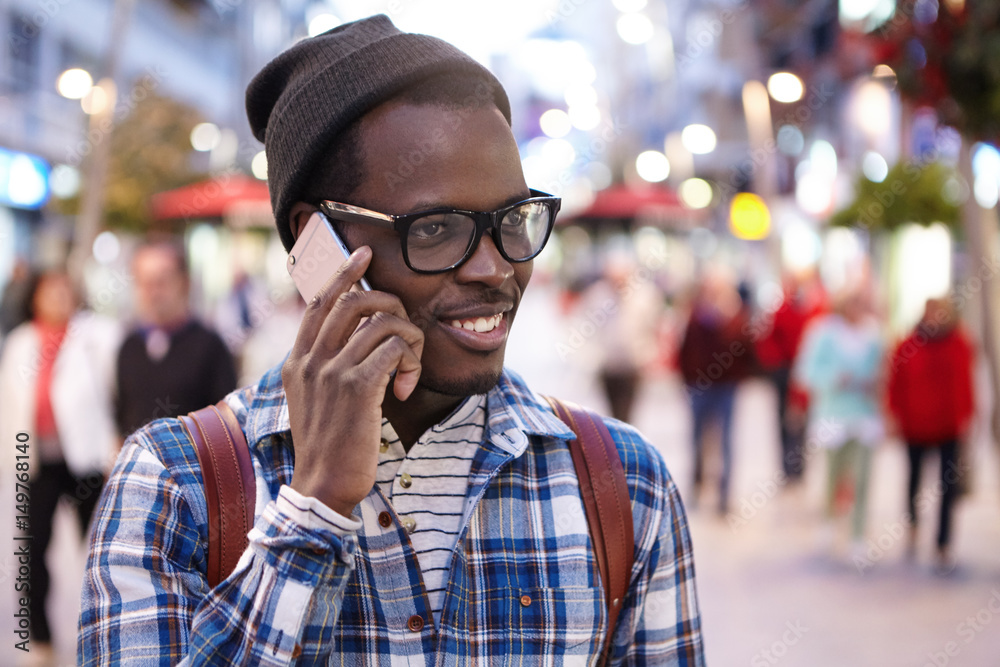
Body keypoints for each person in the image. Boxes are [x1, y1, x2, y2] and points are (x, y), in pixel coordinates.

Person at [79, 15, 704, 665]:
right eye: (436, 229)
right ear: (318, 241)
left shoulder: (625, 485)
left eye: (514, 220)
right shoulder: (174, 484)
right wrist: (313, 507)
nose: (494, 268)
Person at [0, 271, 120, 657]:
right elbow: (9, 406)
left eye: (65, 291)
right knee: (31, 552)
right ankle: (40, 639)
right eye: (49, 291)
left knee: (105, 550)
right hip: (39, 462)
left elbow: (116, 391)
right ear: (34, 298)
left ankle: (107, 638)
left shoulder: (95, 336)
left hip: (88, 461)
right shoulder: (20, 343)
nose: (58, 298)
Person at [887, 297, 975, 573]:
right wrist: (894, 414)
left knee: (948, 486)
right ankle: (912, 525)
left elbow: (965, 382)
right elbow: (896, 382)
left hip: (948, 426)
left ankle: (943, 542)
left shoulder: (959, 343)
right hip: (916, 425)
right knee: (914, 479)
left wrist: (967, 416)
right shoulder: (907, 344)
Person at [795, 286, 884, 558]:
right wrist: (834, 378)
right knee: (834, 475)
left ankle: (858, 534)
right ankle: (829, 519)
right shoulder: (823, 332)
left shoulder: (873, 335)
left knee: (862, 477)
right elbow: (806, 372)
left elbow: (885, 371)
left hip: (865, 414)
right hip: (833, 414)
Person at [114, 241, 237, 436]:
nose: (152, 292)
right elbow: (121, 416)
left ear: (184, 282)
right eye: (144, 282)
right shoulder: (129, 346)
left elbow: (227, 422)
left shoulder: (210, 346)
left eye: (161, 282)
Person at [678, 269, 755, 514]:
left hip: (726, 386)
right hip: (700, 385)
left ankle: (724, 494)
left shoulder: (735, 316)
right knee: (697, 439)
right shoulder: (695, 315)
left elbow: (746, 350)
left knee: (726, 441)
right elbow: (685, 349)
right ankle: (697, 485)